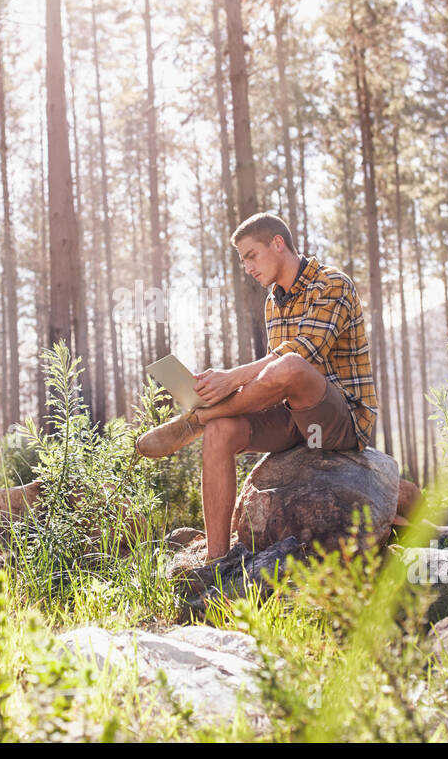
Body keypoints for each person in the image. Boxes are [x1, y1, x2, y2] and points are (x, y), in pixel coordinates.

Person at [136, 211, 379, 561]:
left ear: (278, 243)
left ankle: (195, 420)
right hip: (293, 417)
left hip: (339, 421)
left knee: (291, 366)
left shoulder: (332, 284)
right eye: (243, 260)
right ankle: (216, 562)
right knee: (220, 431)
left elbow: (301, 355)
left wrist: (232, 377)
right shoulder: (273, 301)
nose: (247, 267)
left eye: (251, 255)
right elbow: (270, 378)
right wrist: (218, 387)